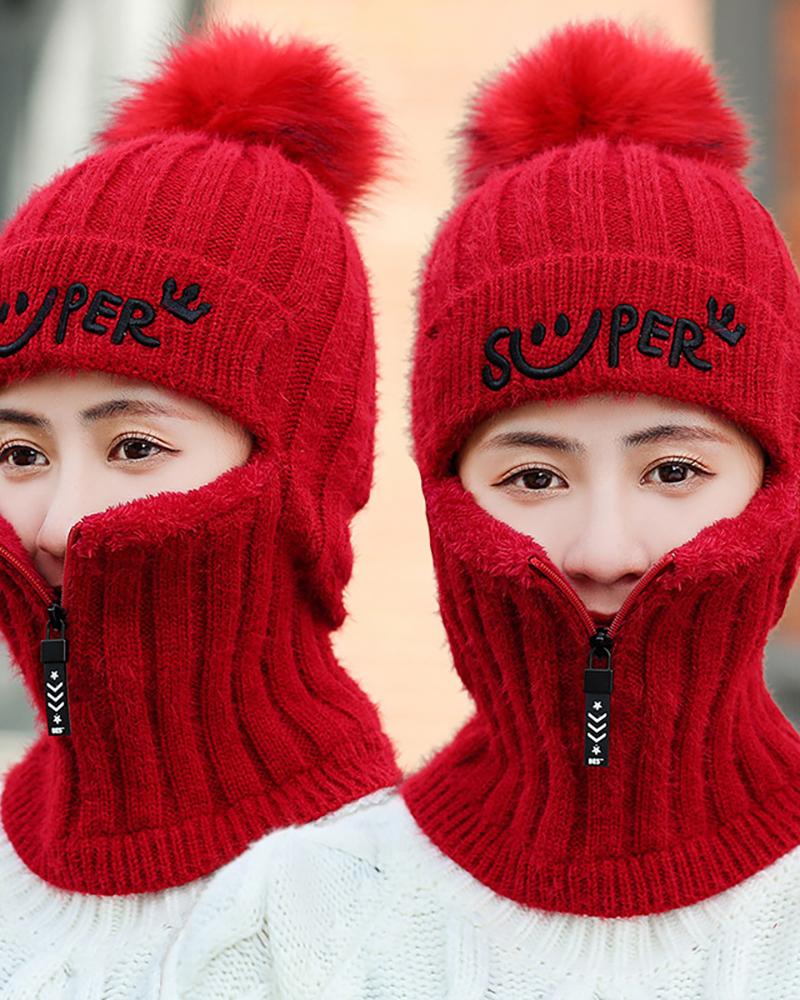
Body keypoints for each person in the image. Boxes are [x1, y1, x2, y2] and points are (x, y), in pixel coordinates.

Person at [161, 20, 800, 998]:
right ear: (441, 491)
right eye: (534, 476)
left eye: (672, 470)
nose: (601, 549)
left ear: (774, 478)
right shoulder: (288, 921)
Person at [0, 22, 401, 995]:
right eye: (19, 449)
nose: (57, 520)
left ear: (301, 474)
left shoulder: (403, 909)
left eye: (134, 446)